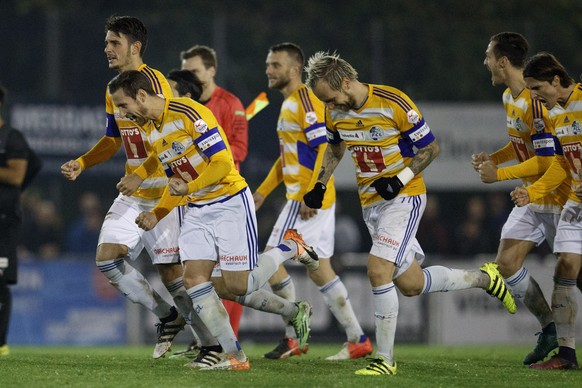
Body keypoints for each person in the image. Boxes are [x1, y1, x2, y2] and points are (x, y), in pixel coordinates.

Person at [303, 51, 516, 376]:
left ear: (345, 82)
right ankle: (485, 279)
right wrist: (319, 184)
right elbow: (335, 147)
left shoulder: (393, 102)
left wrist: (400, 178)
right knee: (411, 284)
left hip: (405, 197)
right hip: (371, 203)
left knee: (377, 270)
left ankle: (385, 360)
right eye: (324, 102)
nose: (328, 107)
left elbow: (430, 148)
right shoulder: (334, 113)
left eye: (330, 99)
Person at [107, 70, 319, 371]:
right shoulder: (151, 130)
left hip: (230, 202)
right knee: (194, 280)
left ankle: (290, 247)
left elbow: (222, 163)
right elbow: (176, 181)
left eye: (123, 105)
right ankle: (233, 356)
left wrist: (189, 188)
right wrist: (157, 214)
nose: (120, 113)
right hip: (197, 209)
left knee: (238, 285)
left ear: (141, 96)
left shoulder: (189, 113)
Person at [60, 15, 201, 359]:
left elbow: (169, 139)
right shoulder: (114, 90)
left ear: (135, 47)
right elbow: (111, 140)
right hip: (134, 193)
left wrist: (142, 172)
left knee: (171, 273)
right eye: (107, 42)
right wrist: (83, 161)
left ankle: (208, 342)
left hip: (164, 192)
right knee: (107, 260)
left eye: (114, 42)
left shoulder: (156, 84)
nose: (107, 48)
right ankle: (167, 317)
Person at [254, 42, 372, 360]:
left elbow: (326, 147)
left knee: (270, 261)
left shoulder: (306, 100)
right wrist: (263, 191)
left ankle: (294, 334)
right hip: (298, 197)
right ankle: (356, 339)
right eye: (268, 63)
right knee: (319, 271)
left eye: (275, 64)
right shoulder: (290, 104)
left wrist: (312, 193)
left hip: (309, 199)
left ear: (294, 69)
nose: (269, 70)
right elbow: (286, 159)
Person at [473, 32, 570, 365]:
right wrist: (495, 159)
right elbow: (520, 147)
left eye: (488, 56)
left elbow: (546, 159)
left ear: (502, 61)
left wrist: (499, 175)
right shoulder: (508, 98)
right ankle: (550, 330)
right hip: (530, 199)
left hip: (558, 197)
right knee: (506, 264)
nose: (485, 62)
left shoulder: (536, 100)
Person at [511, 52, 581, 370]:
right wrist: (532, 191)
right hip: (576, 203)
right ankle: (566, 356)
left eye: (537, 88)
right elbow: (559, 164)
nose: (534, 97)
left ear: (556, 80)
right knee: (565, 267)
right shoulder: (556, 114)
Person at [179, 44, 248, 352]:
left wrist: (206, 163)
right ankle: (211, 338)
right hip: (192, 199)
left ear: (211, 71)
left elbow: (238, 151)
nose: (189, 76)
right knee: (197, 274)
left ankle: (227, 337)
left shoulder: (231, 104)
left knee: (231, 278)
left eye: (194, 70)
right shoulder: (184, 108)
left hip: (224, 198)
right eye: (185, 71)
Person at [0, 84, 31, 356]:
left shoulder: (11, 138)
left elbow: (16, 176)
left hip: (4, 220)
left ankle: (0, 343)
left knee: (0, 280)